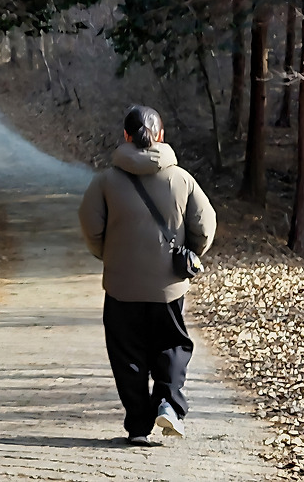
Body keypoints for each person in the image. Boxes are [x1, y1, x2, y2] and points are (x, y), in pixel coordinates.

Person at [78, 105, 216, 447]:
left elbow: (90, 227)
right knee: (171, 345)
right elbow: (206, 225)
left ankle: (139, 425)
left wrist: (108, 254)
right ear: (161, 136)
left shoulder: (105, 182)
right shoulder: (181, 179)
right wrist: (190, 254)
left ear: (125, 137)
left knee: (127, 354)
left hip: (121, 287)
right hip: (168, 287)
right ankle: (169, 403)